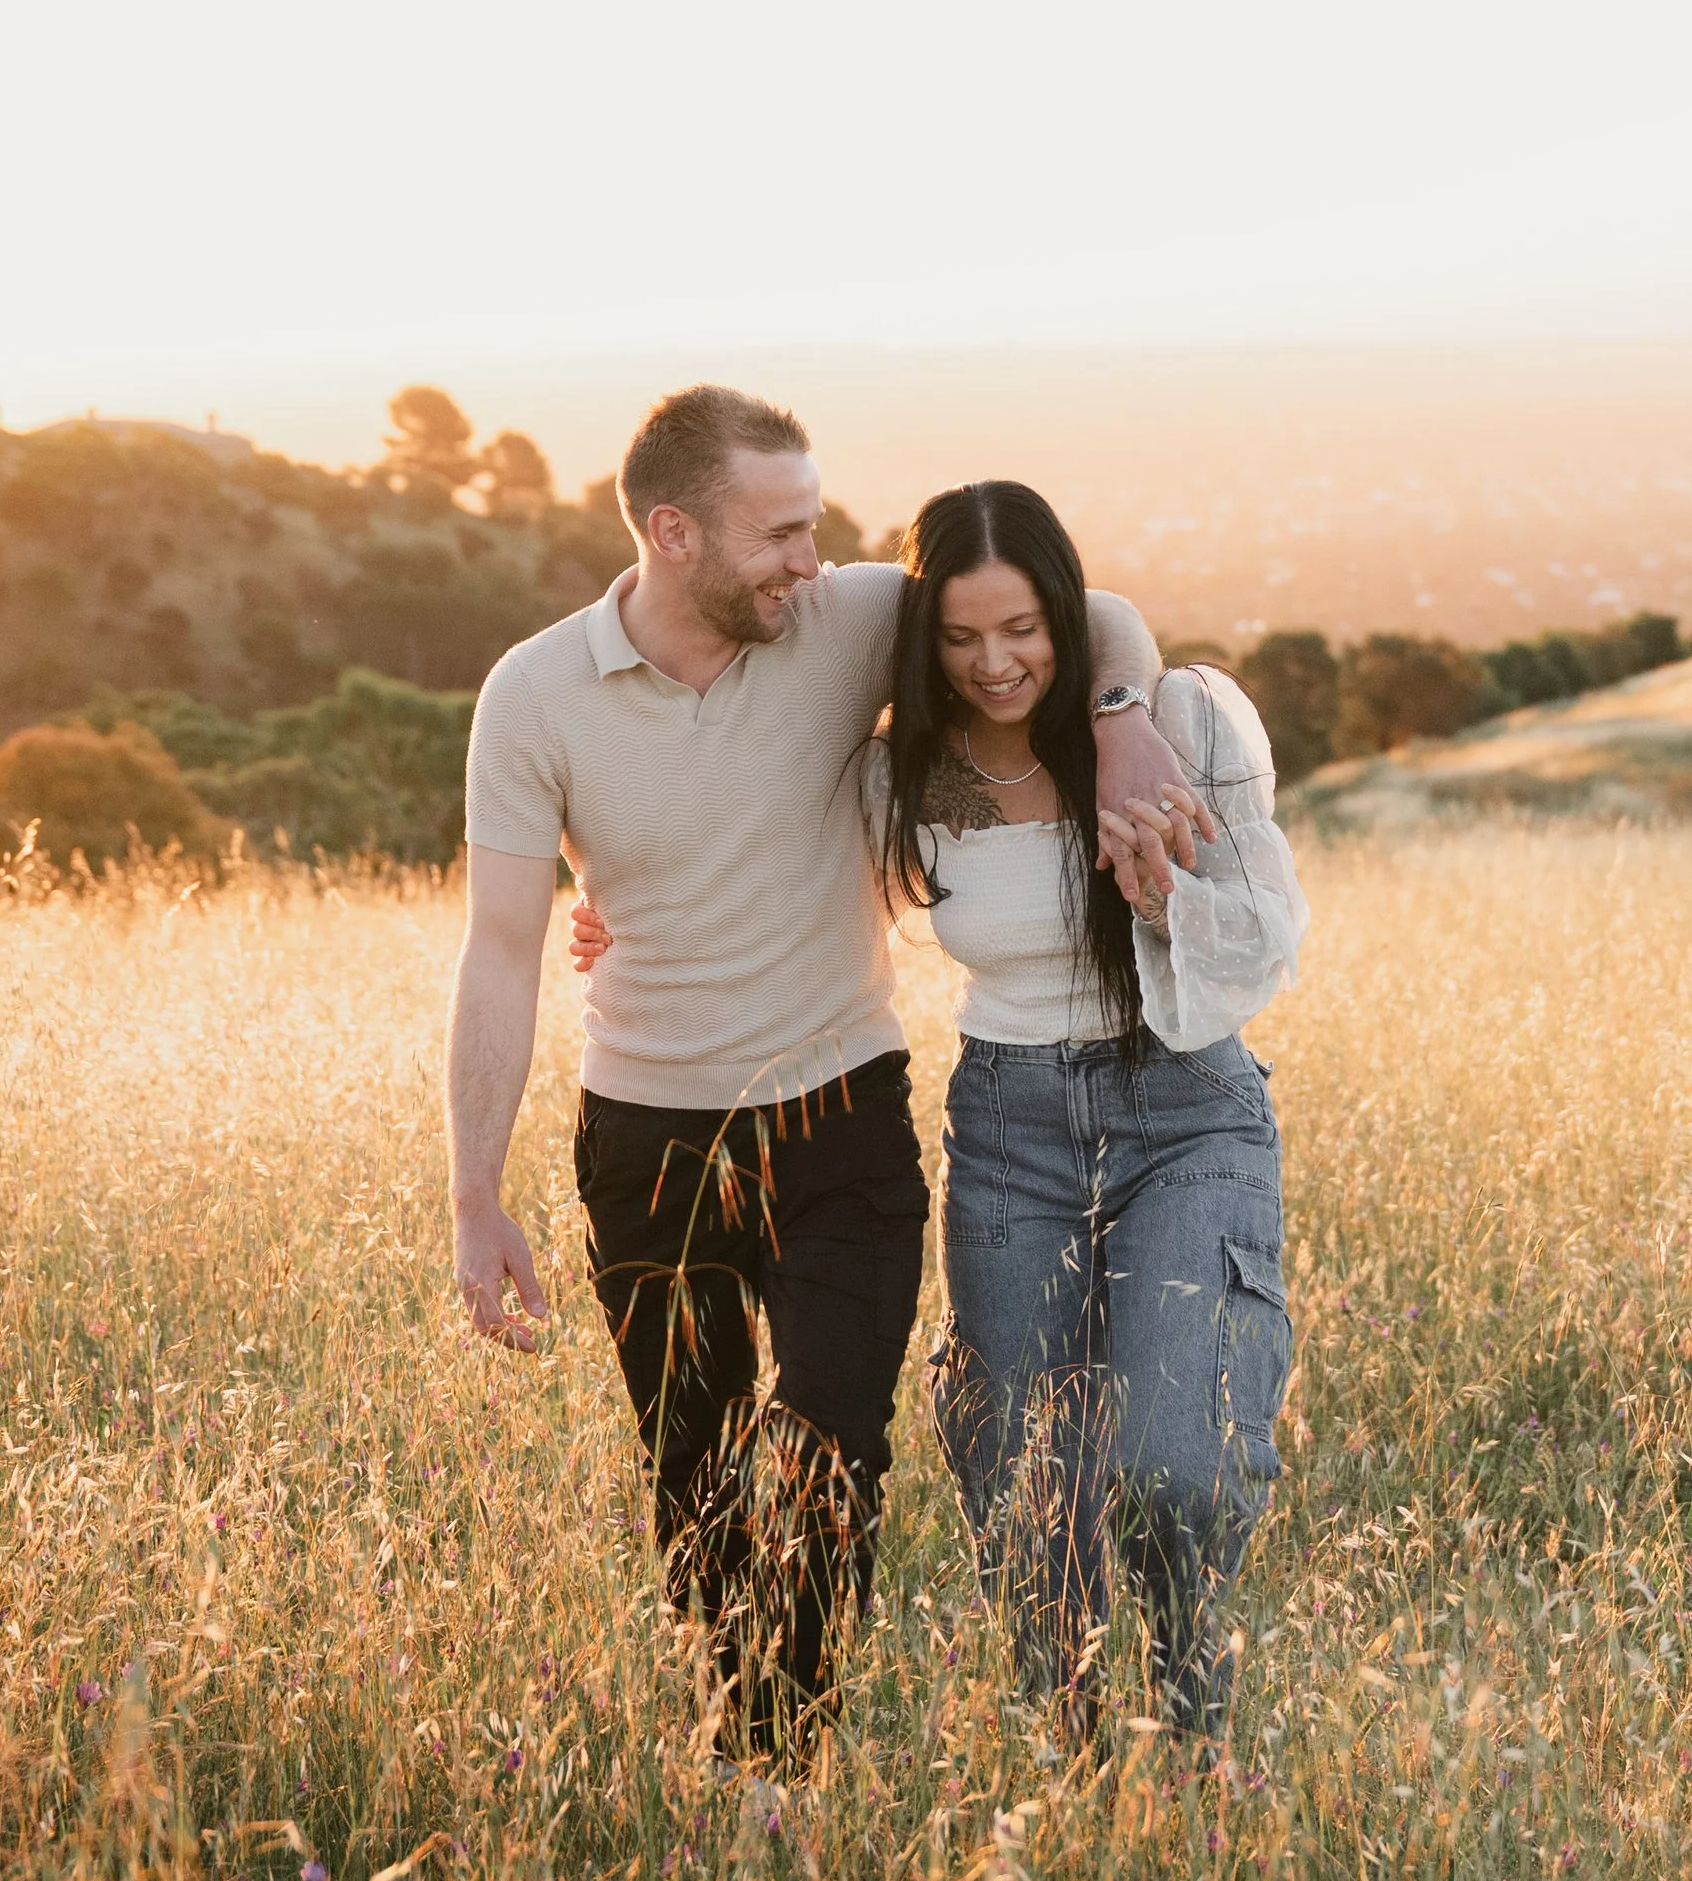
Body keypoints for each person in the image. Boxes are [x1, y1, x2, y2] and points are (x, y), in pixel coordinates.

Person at [447, 388, 1208, 1757]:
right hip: (647, 1136)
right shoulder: (534, 695)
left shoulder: (845, 617)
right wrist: (473, 1191)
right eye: (784, 533)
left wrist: (1121, 715)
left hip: (840, 1119)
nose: (817, 557)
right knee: (691, 1477)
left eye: (816, 527)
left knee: (831, 1452)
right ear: (673, 534)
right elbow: (500, 950)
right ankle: (747, 1732)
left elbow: (1082, 610)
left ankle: (777, 1764)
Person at [576, 476, 1309, 1748]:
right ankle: (1076, 1754)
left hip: (1185, 1111)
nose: (995, 663)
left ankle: (1195, 1727)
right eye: (961, 638)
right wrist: (631, 921)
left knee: (1171, 1466)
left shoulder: (1177, 718)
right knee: (1023, 1476)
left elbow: (1264, 948)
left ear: (1064, 616)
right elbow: (764, 869)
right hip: (1007, 1124)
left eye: (1022, 629)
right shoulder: (900, 774)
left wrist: (1157, 885)